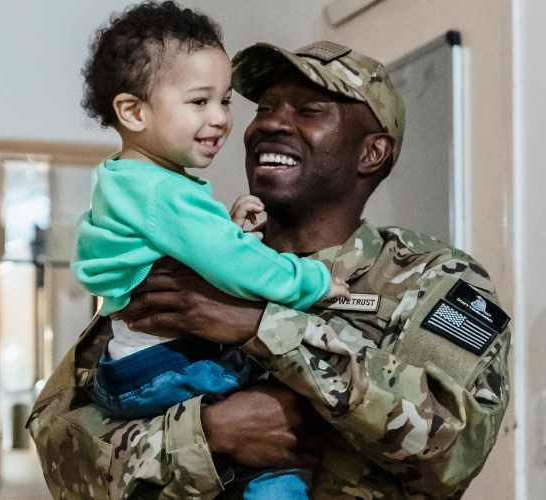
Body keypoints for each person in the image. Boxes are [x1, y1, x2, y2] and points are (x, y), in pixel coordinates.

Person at [29, 39, 511, 500]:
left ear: (372, 152)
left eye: (308, 111)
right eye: (263, 109)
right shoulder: (187, 263)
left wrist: (262, 326)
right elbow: (60, 451)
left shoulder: (436, 276)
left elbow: (453, 450)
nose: (269, 125)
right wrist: (209, 437)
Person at [70, 3, 349, 499]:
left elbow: (199, 253)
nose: (221, 119)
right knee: (277, 443)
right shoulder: (164, 194)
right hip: (167, 366)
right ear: (133, 111)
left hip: (130, 368)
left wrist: (226, 231)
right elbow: (235, 267)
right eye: (200, 102)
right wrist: (315, 282)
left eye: (225, 101)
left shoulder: (125, 182)